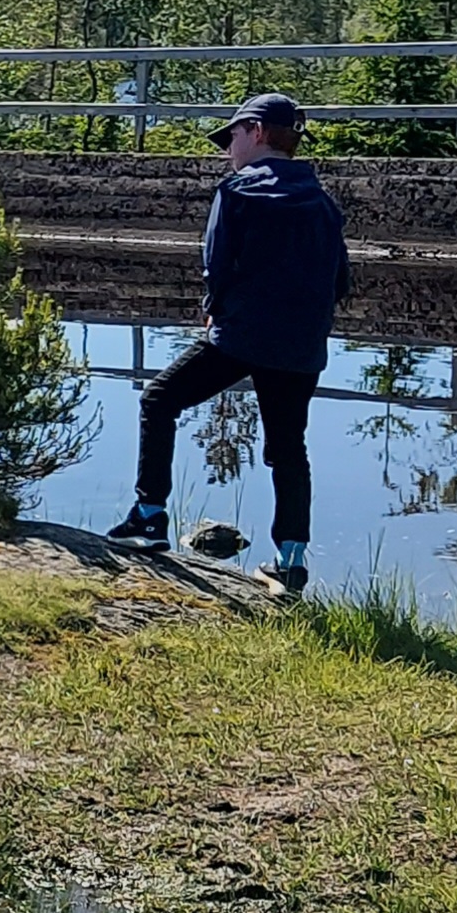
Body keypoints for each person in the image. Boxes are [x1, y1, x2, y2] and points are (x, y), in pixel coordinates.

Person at [109, 90, 350, 597]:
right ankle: (290, 564)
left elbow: (216, 264)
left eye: (233, 136)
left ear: (258, 133)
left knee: (159, 399)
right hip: (302, 346)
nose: (228, 148)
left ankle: (150, 519)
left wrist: (215, 307)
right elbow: (342, 281)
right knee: (288, 449)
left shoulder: (236, 191)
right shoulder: (324, 203)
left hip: (242, 335)